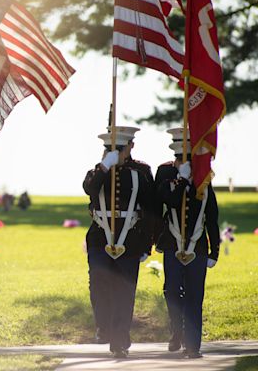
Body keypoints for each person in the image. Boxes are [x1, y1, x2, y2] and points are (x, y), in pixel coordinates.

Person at [82, 126, 155, 358]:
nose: (116, 153)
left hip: (130, 239)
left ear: (128, 149)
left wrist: (146, 244)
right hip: (100, 238)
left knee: (125, 292)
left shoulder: (140, 173)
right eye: (110, 150)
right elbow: (89, 189)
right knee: (98, 285)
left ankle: (120, 340)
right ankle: (103, 326)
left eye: (119, 150)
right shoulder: (97, 172)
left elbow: (151, 209)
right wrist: (105, 166)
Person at [154, 128, 220, 358]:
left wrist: (215, 250)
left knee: (194, 296)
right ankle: (177, 330)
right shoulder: (164, 173)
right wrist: (181, 178)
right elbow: (169, 201)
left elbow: (211, 215)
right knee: (172, 292)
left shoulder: (203, 177)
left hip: (198, 246)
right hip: (172, 244)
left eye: (188, 157)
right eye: (180, 156)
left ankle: (193, 345)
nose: (184, 161)